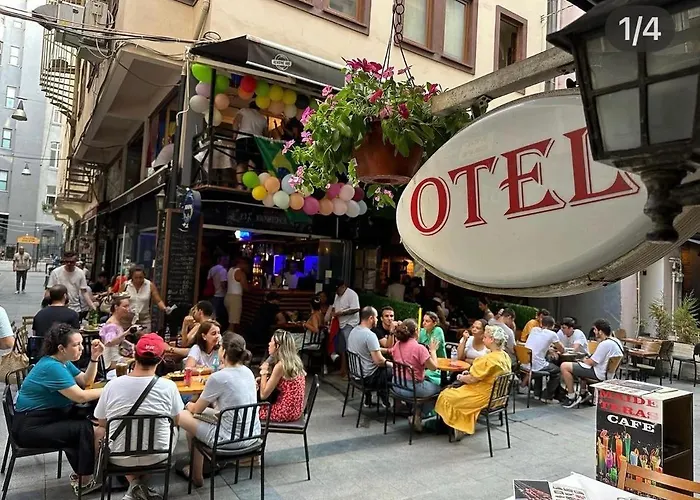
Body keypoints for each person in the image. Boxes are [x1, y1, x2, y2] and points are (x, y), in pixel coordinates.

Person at [13, 324, 105, 495]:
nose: (81, 348)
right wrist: (111, 389)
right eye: (76, 345)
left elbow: (85, 381)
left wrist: (94, 358)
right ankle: (86, 480)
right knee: (86, 428)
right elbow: (80, 397)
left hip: (44, 418)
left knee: (84, 422)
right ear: (61, 348)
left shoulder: (61, 362)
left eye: (81, 343)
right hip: (31, 427)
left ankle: (86, 473)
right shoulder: (52, 367)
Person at [94, 333, 183, 500]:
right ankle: (139, 486)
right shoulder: (169, 386)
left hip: (118, 457)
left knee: (100, 431)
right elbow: (176, 420)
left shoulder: (112, 385)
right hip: (159, 455)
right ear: (161, 359)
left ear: (134, 355)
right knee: (173, 428)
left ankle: (134, 484)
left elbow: (102, 422)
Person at [178, 332, 259, 487]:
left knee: (181, 415)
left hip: (230, 438)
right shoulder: (248, 372)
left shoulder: (219, 377)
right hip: (252, 434)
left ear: (224, 352)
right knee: (192, 429)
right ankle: (197, 474)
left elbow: (196, 409)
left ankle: (197, 475)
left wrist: (188, 405)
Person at [435, 325, 512, 442]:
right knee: (455, 391)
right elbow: (484, 375)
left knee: (446, 394)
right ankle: (458, 426)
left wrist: (461, 377)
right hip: (498, 397)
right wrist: (469, 375)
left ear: (492, 339)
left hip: (483, 396)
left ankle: (457, 425)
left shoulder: (488, 359)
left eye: (485, 337)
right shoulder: (505, 356)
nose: (483, 339)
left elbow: (471, 379)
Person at [389, 319, 440, 431]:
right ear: (416, 331)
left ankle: (416, 414)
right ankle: (419, 415)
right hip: (412, 388)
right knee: (440, 390)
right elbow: (434, 367)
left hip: (396, 385)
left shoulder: (397, 345)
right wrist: (433, 351)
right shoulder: (419, 348)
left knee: (426, 386)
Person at [561, 319, 624, 408]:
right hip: (608, 374)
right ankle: (584, 393)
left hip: (599, 373)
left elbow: (591, 362)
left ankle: (572, 396)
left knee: (564, 366)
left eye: (595, 329)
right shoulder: (616, 341)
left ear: (600, 331)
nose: (594, 331)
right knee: (578, 367)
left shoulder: (605, 344)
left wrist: (583, 360)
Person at [258, 329, 306, 422]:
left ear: (277, 346)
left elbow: (263, 395)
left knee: (251, 410)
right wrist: (263, 379)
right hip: (296, 410)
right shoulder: (294, 360)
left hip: (285, 411)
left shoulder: (280, 365)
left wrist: (264, 372)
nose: (269, 344)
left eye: (271, 341)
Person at [347, 306, 389, 407]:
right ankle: (385, 401)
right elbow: (379, 361)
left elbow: (368, 350)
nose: (377, 320)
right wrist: (393, 364)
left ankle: (368, 399)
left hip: (355, 375)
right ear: (371, 318)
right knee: (392, 371)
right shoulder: (370, 335)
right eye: (376, 317)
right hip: (367, 379)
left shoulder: (354, 331)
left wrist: (388, 351)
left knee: (383, 369)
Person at [522, 316, 564, 402]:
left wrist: (549, 350)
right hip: (536, 365)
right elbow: (562, 349)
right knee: (557, 371)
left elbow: (537, 344)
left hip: (525, 362)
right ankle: (547, 396)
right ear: (552, 326)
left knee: (541, 360)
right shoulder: (552, 334)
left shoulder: (534, 330)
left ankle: (537, 393)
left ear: (541, 323)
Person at [120, 265, 170, 329]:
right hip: (127, 319)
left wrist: (165, 308)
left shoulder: (149, 285)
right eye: (136, 278)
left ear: (144, 276)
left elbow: (158, 301)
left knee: (145, 335)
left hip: (144, 319)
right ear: (132, 277)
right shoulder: (126, 285)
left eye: (141, 277)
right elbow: (118, 300)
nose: (138, 280)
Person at [327, 280, 360, 367]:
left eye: (338, 290)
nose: (337, 292)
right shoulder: (337, 295)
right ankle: (343, 369)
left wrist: (342, 313)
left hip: (350, 323)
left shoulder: (351, 294)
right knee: (342, 348)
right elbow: (334, 307)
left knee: (350, 347)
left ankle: (352, 368)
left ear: (343, 287)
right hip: (340, 323)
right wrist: (332, 315)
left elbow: (356, 308)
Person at [100, 296, 135, 370]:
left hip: (118, 355)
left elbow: (119, 338)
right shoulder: (111, 324)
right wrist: (127, 332)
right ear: (116, 307)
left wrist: (131, 345)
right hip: (111, 359)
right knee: (136, 363)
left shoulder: (117, 321)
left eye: (128, 306)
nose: (128, 309)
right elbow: (109, 342)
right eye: (125, 306)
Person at [418, 311, 446, 386]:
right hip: (426, 364)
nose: (424, 323)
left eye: (427, 321)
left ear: (435, 323)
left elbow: (432, 348)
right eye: (423, 320)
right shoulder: (422, 332)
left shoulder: (438, 331)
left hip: (439, 366)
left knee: (422, 374)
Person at [226, 258, 249, 333]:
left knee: (232, 321)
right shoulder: (240, 272)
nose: (246, 266)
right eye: (246, 264)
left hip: (228, 296)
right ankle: (228, 339)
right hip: (235, 298)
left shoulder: (230, 270)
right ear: (242, 263)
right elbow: (245, 287)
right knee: (232, 323)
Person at [206, 255, 229, 323]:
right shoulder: (223, 271)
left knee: (212, 314)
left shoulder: (212, 269)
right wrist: (226, 290)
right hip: (220, 295)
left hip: (212, 294)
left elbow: (208, 280)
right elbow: (223, 284)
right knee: (218, 316)